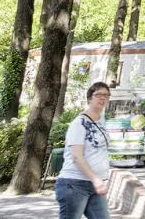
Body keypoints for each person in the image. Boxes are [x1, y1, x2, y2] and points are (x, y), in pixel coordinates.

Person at [56, 80, 112, 219]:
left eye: (106, 95)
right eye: (98, 94)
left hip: (94, 184)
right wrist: (96, 179)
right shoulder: (79, 123)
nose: (102, 98)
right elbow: (77, 157)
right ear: (89, 98)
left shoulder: (101, 120)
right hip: (74, 183)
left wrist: (97, 180)